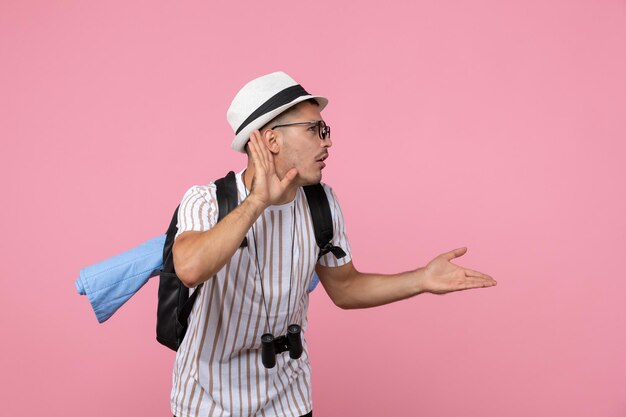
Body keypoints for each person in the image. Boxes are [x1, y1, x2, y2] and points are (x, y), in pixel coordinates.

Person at [170, 71, 497, 417]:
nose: (327, 142)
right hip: (207, 402)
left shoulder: (321, 203)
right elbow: (190, 269)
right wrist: (257, 202)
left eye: (325, 131)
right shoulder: (205, 201)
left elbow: (345, 288)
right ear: (271, 141)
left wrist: (422, 279)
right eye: (314, 130)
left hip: (287, 399)